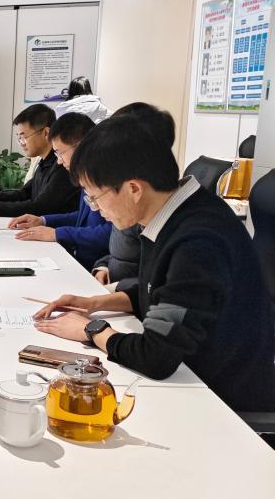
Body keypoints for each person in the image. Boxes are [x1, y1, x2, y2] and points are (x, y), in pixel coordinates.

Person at [33, 116, 275, 412]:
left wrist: (92, 330)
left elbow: (156, 357)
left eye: (94, 197)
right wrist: (94, 303)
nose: (96, 208)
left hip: (219, 400)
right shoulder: (174, 214)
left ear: (134, 188)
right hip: (192, 375)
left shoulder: (198, 241)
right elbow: (163, 293)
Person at [7, 112, 112, 270]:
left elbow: (111, 232)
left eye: (61, 153)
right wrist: (43, 220)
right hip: (82, 261)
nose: (59, 161)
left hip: (96, 266)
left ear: (81, 146)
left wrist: (57, 234)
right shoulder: (85, 175)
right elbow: (82, 218)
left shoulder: (106, 179)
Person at [91, 102, 177, 291]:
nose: (95, 206)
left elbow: (154, 286)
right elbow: (120, 252)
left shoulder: (143, 207)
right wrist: (104, 266)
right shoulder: (131, 203)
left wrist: (114, 289)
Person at [0, 104, 79, 217]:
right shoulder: (44, 161)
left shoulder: (63, 165)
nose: (21, 143)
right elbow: (25, 193)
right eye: (19, 138)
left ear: (46, 133)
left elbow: (40, 207)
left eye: (24, 137)